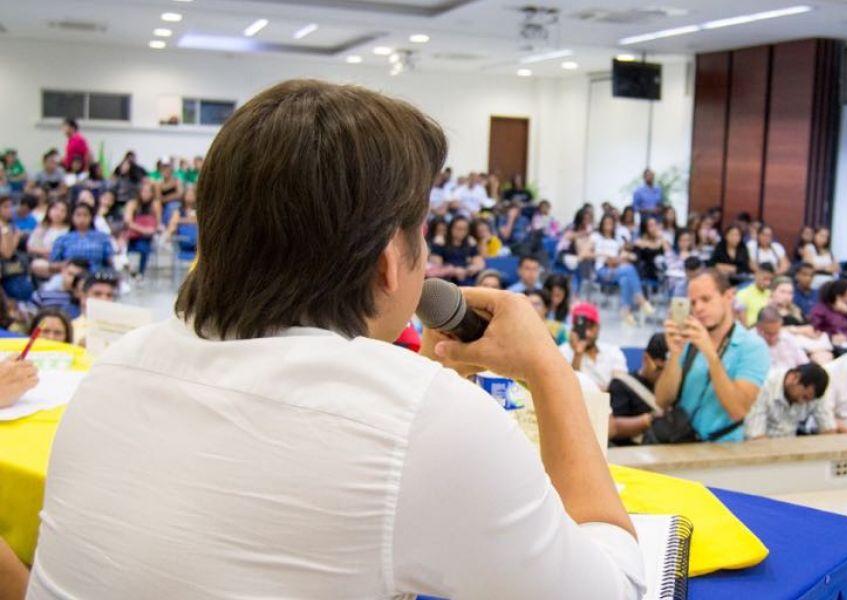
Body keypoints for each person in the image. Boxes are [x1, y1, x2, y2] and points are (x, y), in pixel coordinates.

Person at [30, 80, 644, 599]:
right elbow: (613, 589)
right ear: (388, 264)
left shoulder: (113, 372)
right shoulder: (422, 420)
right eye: (421, 232)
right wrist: (548, 368)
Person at [655, 269, 770, 442]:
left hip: (721, 450)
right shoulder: (688, 341)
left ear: (729, 296)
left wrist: (710, 354)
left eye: (706, 299)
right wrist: (675, 354)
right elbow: (662, 401)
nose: (699, 308)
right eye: (693, 303)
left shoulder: (753, 347)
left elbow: (737, 410)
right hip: (679, 441)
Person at [607, 333, 668, 445]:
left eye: (668, 370)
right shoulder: (622, 384)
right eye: (659, 368)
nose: (663, 375)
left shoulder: (674, 387)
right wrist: (649, 420)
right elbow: (612, 427)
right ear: (646, 359)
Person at [593, 214, 653, 325]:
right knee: (629, 269)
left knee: (625, 279)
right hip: (602, 270)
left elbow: (620, 256)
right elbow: (585, 253)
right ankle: (641, 299)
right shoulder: (596, 237)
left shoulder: (616, 241)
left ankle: (626, 311)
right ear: (602, 224)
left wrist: (624, 257)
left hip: (616, 268)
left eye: (611, 223)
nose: (608, 226)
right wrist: (603, 255)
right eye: (606, 223)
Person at [744, 364, 832, 438]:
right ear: (795, 378)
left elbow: (828, 430)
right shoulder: (763, 385)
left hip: (792, 446)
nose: (802, 403)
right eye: (804, 397)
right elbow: (755, 435)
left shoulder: (814, 394)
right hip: (759, 447)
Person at [560, 302, 627, 393]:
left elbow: (620, 385)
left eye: (590, 327)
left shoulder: (613, 351)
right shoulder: (562, 352)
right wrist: (577, 355)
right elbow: (568, 389)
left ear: (598, 328)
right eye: (582, 328)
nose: (587, 333)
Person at [49, 203, 113, 274]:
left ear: (91, 218)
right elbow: (52, 264)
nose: (82, 219)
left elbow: (110, 260)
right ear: (72, 217)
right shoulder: (63, 239)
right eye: (78, 215)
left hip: (96, 276)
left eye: (85, 215)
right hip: (69, 275)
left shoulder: (102, 238)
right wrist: (66, 264)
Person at [809, 279, 847, 347]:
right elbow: (816, 329)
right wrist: (831, 336)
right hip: (830, 344)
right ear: (838, 297)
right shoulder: (821, 309)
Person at [124, 179, 163, 279]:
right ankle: (133, 271)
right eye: (144, 191)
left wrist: (152, 230)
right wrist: (143, 230)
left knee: (144, 247)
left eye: (148, 191)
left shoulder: (155, 204)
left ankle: (140, 273)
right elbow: (128, 221)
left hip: (148, 237)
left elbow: (158, 223)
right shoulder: (132, 203)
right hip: (133, 235)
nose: (146, 194)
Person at [429, 215, 484, 285]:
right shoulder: (440, 241)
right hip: (447, 278)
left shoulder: (470, 241)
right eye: (458, 228)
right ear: (451, 228)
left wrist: (474, 267)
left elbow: (479, 262)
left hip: (466, 275)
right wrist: (452, 271)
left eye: (465, 229)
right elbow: (435, 266)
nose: (461, 232)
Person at [754, 306, 810, 370]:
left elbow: (804, 365)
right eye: (768, 333)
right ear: (758, 328)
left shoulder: (788, 338)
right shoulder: (750, 344)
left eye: (776, 333)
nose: (773, 338)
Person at [735, 262, 775, 327]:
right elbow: (742, 324)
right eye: (765, 279)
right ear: (757, 275)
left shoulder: (771, 294)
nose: (768, 283)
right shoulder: (743, 294)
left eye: (770, 280)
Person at [631, 217, 670, 282]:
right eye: (651, 226)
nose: (654, 228)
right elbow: (636, 259)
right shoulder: (639, 243)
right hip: (645, 273)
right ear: (645, 228)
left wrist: (661, 238)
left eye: (655, 225)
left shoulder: (661, 241)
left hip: (661, 273)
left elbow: (670, 255)